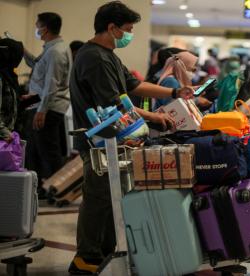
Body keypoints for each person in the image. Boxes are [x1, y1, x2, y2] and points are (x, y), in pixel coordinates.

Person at [68, 2, 194, 274]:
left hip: (113, 141)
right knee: (98, 198)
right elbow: (114, 105)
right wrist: (154, 118)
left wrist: (174, 94)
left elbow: (134, 86)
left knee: (112, 198)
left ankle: (106, 253)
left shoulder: (108, 55)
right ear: (111, 28)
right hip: (98, 141)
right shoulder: (94, 58)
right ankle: (85, 258)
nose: (130, 35)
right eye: (127, 29)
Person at [23, 12, 72, 197]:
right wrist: (22, 50)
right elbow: (37, 66)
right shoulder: (51, 49)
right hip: (41, 105)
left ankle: (57, 189)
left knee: (48, 151)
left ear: (45, 29)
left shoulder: (56, 51)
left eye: (38, 26)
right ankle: (42, 188)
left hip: (48, 108)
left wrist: (42, 110)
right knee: (36, 150)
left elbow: (52, 84)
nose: (36, 30)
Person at [0, 38, 23, 142]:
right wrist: (5, 133)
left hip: (7, 135)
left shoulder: (9, 75)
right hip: (4, 135)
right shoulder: (1, 77)